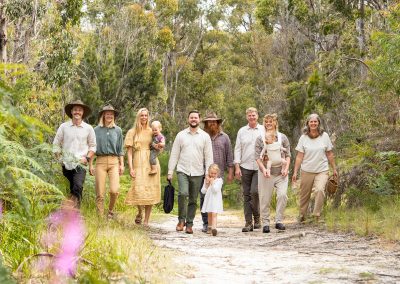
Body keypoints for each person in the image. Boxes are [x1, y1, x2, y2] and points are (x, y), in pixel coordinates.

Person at [168, 110, 213, 234]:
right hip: (183, 170)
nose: (193, 119)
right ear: (188, 119)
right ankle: (181, 220)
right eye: (191, 117)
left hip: (198, 172)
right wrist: (170, 171)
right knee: (183, 194)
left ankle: (189, 224)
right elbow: (174, 154)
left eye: (196, 118)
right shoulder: (181, 135)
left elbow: (209, 157)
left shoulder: (205, 136)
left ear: (199, 119)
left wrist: (208, 174)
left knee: (193, 199)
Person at [292, 113, 338, 222]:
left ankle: (317, 215)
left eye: (315, 121)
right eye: (311, 121)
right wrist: (295, 172)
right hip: (307, 170)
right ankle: (302, 215)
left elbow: (330, 154)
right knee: (304, 194)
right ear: (307, 123)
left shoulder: (325, 136)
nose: (313, 123)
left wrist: (334, 168)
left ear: (318, 123)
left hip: (322, 170)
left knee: (320, 190)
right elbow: (299, 156)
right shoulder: (303, 138)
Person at [53, 100, 96, 207]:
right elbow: (56, 144)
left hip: (80, 163)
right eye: (75, 110)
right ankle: (68, 213)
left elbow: (93, 146)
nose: (77, 112)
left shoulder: (88, 128)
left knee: (78, 186)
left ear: (83, 113)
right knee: (69, 188)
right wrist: (60, 159)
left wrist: (87, 158)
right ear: (71, 112)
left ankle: (76, 212)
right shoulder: (64, 127)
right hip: (66, 164)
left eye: (80, 110)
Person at [124, 108, 161, 226]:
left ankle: (146, 220)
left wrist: (159, 146)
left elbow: (159, 143)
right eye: (142, 115)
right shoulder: (132, 132)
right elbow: (129, 152)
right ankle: (140, 211)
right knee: (138, 189)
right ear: (138, 117)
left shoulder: (152, 131)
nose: (144, 117)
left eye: (146, 115)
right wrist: (130, 168)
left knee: (150, 190)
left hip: (151, 162)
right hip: (138, 161)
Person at [255, 113, 291, 233]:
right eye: (266, 122)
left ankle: (279, 220)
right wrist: (264, 169)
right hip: (267, 173)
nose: (268, 124)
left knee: (282, 195)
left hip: (281, 172)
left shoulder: (283, 137)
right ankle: (265, 222)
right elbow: (257, 157)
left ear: (275, 123)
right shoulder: (260, 139)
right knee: (265, 198)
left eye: (271, 121)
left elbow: (288, 155)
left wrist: (286, 169)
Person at [200, 112, 234, 233]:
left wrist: (230, 172)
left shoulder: (225, 137)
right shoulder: (203, 136)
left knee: (214, 197)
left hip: (218, 174)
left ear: (218, 123)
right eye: (210, 122)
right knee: (204, 196)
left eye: (214, 122)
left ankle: (213, 224)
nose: (212, 124)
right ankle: (206, 223)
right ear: (206, 124)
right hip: (204, 172)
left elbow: (229, 155)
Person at [89, 105, 124, 218]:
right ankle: (99, 217)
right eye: (107, 113)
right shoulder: (96, 130)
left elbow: (120, 149)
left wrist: (122, 164)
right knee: (100, 193)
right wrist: (90, 165)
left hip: (114, 162)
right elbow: (92, 148)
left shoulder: (118, 130)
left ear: (113, 116)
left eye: (111, 114)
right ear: (103, 115)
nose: (109, 115)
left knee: (114, 190)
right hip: (100, 161)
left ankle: (110, 211)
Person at [234, 107, 264, 232]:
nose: (252, 117)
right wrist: (237, 166)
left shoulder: (263, 129)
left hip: (259, 166)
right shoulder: (242, 131)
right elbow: (238, 149)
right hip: (245, 166)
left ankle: (257, 218)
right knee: (246, 194)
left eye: (254, 115)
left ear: (257, 116)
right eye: (249, 115)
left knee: (255, 192)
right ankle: (248, 223)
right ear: (247, 117)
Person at [201, 164, 223, 237]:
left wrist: (212, 183)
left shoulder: (219, 181)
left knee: (214, 214)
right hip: (209, 200)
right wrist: (207, 184)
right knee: (209, 213)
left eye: (215, 173)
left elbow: (215, 190)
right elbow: (203, 191)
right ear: (209, 173)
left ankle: (214, 228)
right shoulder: (206, 180)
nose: (213, 175)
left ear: (217, 173)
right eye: (211, 173)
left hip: (215, 200)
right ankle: (209, 227)